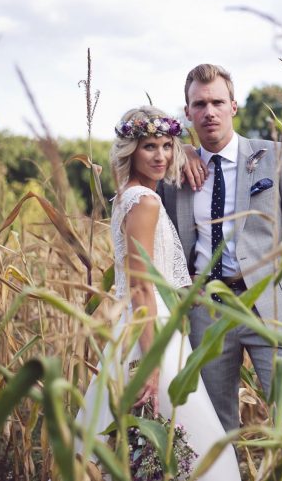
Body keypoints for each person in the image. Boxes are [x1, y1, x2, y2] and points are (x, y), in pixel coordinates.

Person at [159, 64, 282, 481]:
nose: (210, 112)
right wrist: (174, 149)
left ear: (234, 105)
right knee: (215, 431)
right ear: (187, 112)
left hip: (274, 312)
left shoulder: (275, 159)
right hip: (206, 313)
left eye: (218, 102)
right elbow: (129, 192)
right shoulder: (175, 174)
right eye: (199, 104)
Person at [74, 106, 240, 480]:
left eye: (167, 145)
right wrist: (150, 367)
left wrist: (194, 151)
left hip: (140, 328)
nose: (161, 155)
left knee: (146, 446)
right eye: (150, 146)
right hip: (152, 334)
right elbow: (141, 284)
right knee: (199, 453)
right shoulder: (145, 202)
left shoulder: (128, 197)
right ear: (130, 150)